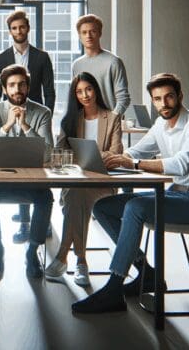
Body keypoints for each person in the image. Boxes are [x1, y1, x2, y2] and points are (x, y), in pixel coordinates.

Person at [72, 73, 189, 313]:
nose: (163, 104)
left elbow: (181, 164)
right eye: (157, 99)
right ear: (152, 101)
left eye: (169, 97)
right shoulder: (161, 125)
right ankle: (147, 273)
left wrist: (131, 163)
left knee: (135, 207)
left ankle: (114, 287)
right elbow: (135, 152)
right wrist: (107, 158)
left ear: (180, 96)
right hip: (176, 194)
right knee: (103, 207)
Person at [43, 72, 122, 286]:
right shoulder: (70, 120)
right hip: (76, 182)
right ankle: (80, 261)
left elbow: (115, 153)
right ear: (74, 96)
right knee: (77, 194)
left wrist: (86, 155)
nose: (85, 95)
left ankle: (63, 256)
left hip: (103, 183)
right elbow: (59, 152)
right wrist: (88, 156)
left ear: (96, 89)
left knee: (75, 198)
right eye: (79, 92)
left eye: (88, 89)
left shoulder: (112, 118)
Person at [0, 64, 54, 277]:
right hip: (0, 181)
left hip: (32, 181)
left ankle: (32, 250)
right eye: (11, 85)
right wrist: (7, 126)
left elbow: (47, 154)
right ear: (4, 89)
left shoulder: (42, 112)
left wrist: (27, 126)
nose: (17, 89)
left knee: (45, 198)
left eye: (21, 84)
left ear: (28, 87)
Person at [0, 11, 56, 241]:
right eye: (14, 28)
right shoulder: (2, 57)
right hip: (9, 113)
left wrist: (44, 117)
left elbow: (49, 90)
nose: (19, 31)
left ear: (28, 28)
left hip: (33, 113)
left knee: (32, 163)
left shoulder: (41, 56)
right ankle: (26, 222)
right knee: (15, 162)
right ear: (10, 31)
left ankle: (35, 221)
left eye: (22, 27)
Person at [70, 14, 130, 116]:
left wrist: (112, 119)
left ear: (100, 33)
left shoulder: (114, 62)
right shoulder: (76, 65)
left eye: (92, 31)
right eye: (84, 33)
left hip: (109, 122)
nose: (88, 36)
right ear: (80, 36)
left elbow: (123, 98)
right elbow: (75, 97)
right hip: (84, 123)